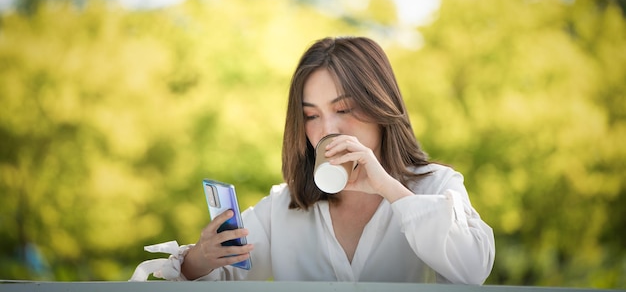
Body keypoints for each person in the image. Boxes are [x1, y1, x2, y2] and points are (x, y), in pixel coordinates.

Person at [130, 36, 495, 284]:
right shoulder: (284, 205)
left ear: (381, 107)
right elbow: (223, 277)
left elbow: (472, 268)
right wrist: (201, 259)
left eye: (343, 109)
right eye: (311, 115)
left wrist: (386, 186)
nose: (326, 129)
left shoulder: (437, 186)